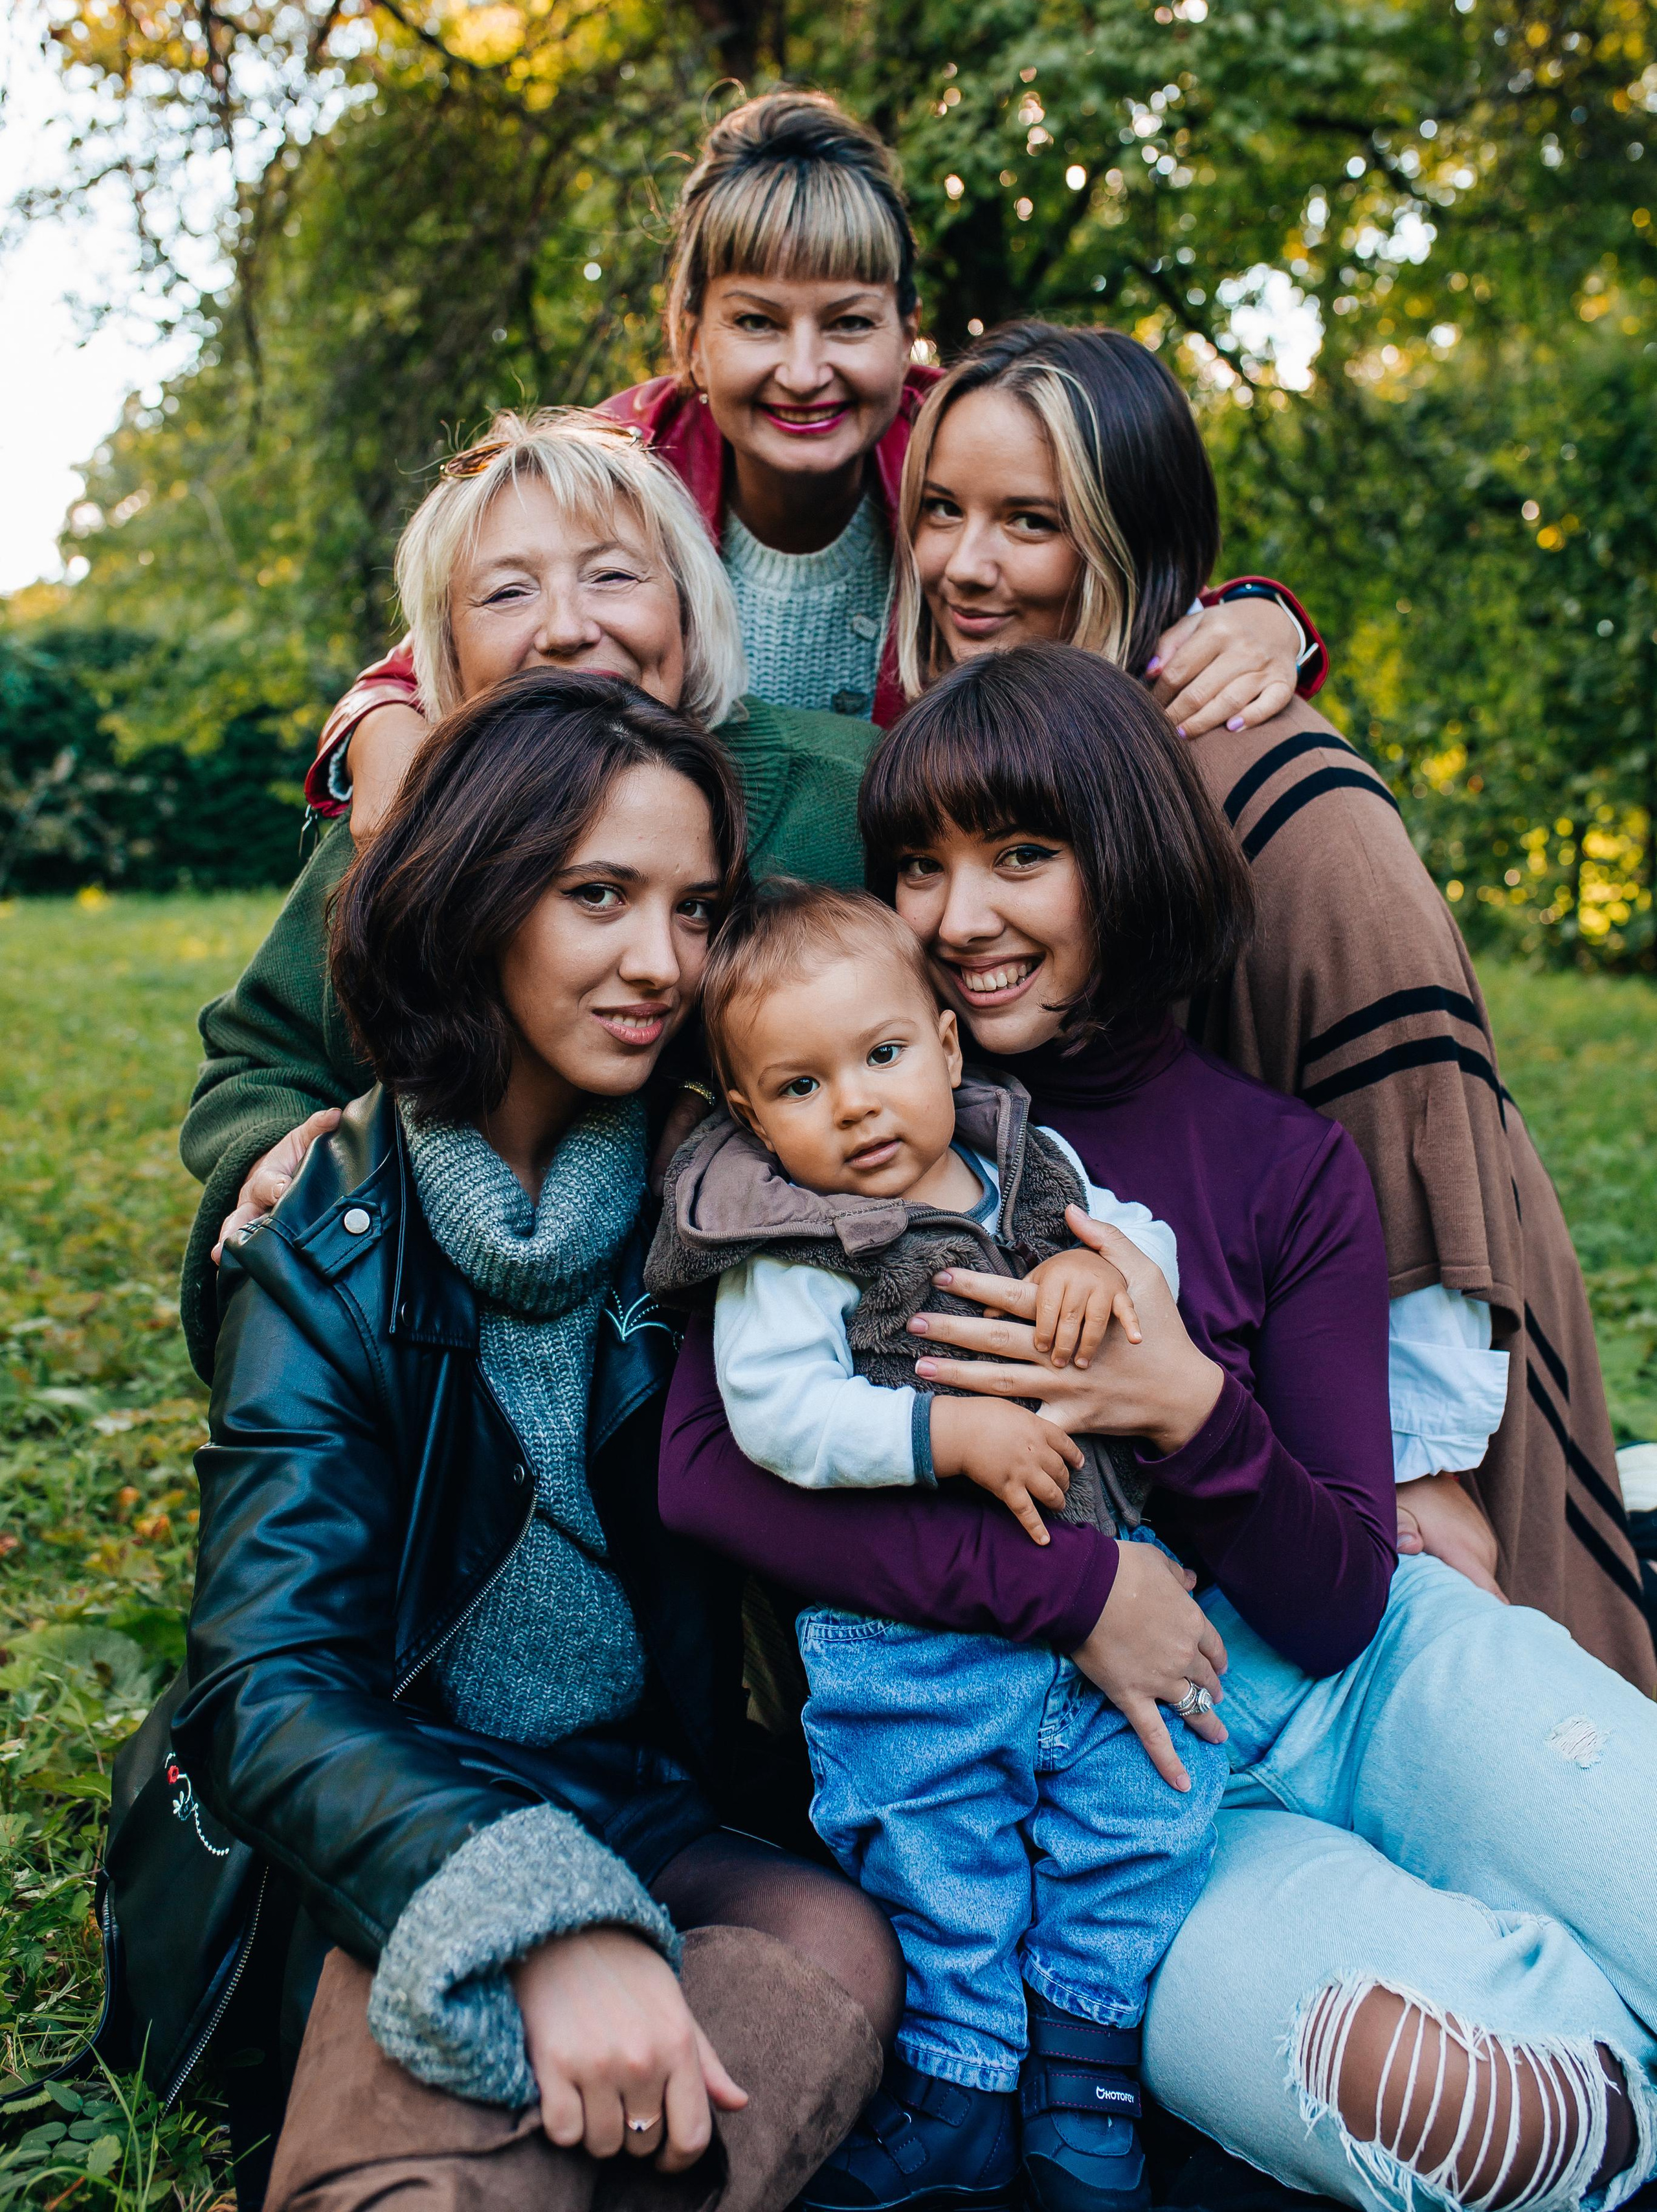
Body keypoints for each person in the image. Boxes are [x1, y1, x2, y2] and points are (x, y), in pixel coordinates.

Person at [658, 646, 1657, 2212]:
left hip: (1359, 1685)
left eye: (1020, 857)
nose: (959, 918)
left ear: (1123, 854)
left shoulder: (1281, 1164)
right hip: (1138, 1810)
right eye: (917, 866)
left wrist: (1184, 1401)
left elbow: (1336, 1603)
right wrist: (1074, 1595)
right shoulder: (830, 1142)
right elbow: (710, 1473)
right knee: (1501, 2116)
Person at [126, 669, 905, 2212]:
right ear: (477, 899)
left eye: (693, 911)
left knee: (830, 1948)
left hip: (644, 1789)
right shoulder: (334, 1233)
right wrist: (539, 1916)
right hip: (396, 1786)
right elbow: (264, 1685)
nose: (658, 962)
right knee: (431, 1958)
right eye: (597, 897)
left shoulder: (725, 1198)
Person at [885, 320, 1654, 1690]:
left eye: (1028, 522)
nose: (962, 563)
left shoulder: (1272, 791)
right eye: (939, 509)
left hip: (1383, 1392)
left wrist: (1422, 1459)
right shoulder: (987, 747)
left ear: (1126, 536)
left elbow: (1407, 1097)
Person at [644, 876, 1221, 2212]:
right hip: (908, 1652)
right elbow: (777, 1415)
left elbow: (1147, 1252)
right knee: (934, 1866)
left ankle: (1084, 2093)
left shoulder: (1030, 1168)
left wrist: (1098, 1273)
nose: (851, 1105)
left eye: (883, 1056)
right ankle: (955, 2101)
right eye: (797, 1087)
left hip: (1097, 1649)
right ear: (746, 1117)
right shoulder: (789, 1244)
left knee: (1136, 1828)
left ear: (946, 1049)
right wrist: (945, 1437)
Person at [301, 89, 1322, 839]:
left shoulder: (959, 439)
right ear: (689, 334)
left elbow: (1115, 559)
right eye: (755, 322)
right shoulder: (614, 469)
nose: (804, 372)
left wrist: (1267, 617)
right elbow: (434, 655)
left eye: (848, 323)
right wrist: (384, 736)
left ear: (908, 330)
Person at [175, 409, 878, 1375]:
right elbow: (262, 1060)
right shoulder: (409, 824)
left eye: (614, 574)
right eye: (507, 593)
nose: (566, 627)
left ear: (686, 602)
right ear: (446, 658)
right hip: (451, 1388)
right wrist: (265, 1155)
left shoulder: (846, 795)